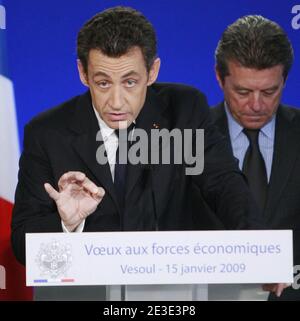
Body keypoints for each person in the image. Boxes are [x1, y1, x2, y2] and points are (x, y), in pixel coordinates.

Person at [12, 7, 260, 288]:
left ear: (152, 71)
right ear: (82, 73)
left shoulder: (183, 110)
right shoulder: (47, 133)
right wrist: (65, 223)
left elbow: (224, 184)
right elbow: (23, 244)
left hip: (174, 292)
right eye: (103, 83)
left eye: (130, 82)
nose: (116, 102)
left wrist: (257, 251)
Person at [210, 15, 300, 300]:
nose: (257, 105)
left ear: (284, 79)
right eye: (243, 91)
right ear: (219, 78)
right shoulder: (188, 139)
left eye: (269, 91)